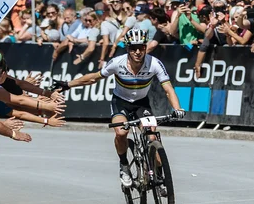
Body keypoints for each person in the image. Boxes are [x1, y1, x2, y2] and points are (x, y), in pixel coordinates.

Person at [63, 28, 185, 191]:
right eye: (133, 48)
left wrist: (177, 108)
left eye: (141, 47)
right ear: (127, 48)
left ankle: (160, 177)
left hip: (142, 103)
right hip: (120, 102)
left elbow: (168, 88)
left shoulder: (154, 63)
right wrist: (67, 84)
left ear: (145, 47)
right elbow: (93, 78)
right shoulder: (117, 63)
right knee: (121, 132)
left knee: (152, 136)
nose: (137, 52)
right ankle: (124, 165)